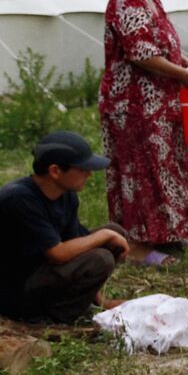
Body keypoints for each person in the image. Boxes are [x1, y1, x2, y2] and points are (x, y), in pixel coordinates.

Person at [99, 0, 188, 266]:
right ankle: (138, 243)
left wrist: (186, 64)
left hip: (159, 104)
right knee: (141, 170)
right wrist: (182, 75)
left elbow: (163, 45)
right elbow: (142, 54)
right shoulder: (125, 2)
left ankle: (170, 232)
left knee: (166, 166)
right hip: (133, 105)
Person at [0, 132, 128, 323]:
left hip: (41, 272)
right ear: (55, 171)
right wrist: (104, 234)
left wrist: (102, 302)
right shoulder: (18, 199)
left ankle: (87, 304)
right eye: (82, 169)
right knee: (101, 256)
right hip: (15, 290)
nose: (89, 174)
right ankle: (53, 318)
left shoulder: (66, 195)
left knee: (114, 235)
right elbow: (58, 254)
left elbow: (74, 244)